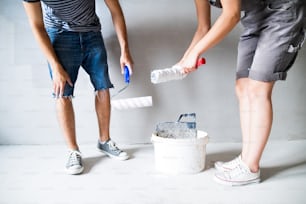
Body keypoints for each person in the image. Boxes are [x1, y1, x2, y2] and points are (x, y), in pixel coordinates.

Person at [178, 0, 305, 186]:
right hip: (256, 16)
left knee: (258, 88)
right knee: (243, 86)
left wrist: (196, 53)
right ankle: (245, 158)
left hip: (283, 12)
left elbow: (231, 15)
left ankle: (251, 167)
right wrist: (184, 60)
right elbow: (203, 28)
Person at [22, 0, 134, 175]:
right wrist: (55, 65)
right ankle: (73, 150)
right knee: (62, 93)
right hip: (60, 36)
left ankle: (104, 141)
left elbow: (116, 10)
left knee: (103, 86)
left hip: (92, 33)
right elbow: (37, 25)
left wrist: (125, 50)